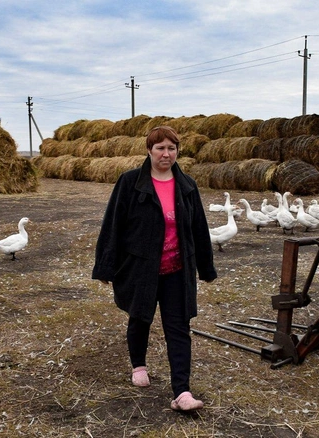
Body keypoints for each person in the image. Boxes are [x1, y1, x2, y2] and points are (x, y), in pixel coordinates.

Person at [92, 125, 217, 411]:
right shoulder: (130, 182)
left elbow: (199, 228)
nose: (166, 153)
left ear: (177, 152)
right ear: (149, 150)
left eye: (171, 148)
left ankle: (182, 392)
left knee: (179, 326)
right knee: (140, 317)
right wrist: (105, 267)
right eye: (160, 148)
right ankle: (139, 365)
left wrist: (205, 268)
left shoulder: (187, 185)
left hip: (176, 269)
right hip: (140, 268)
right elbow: (113, 225)